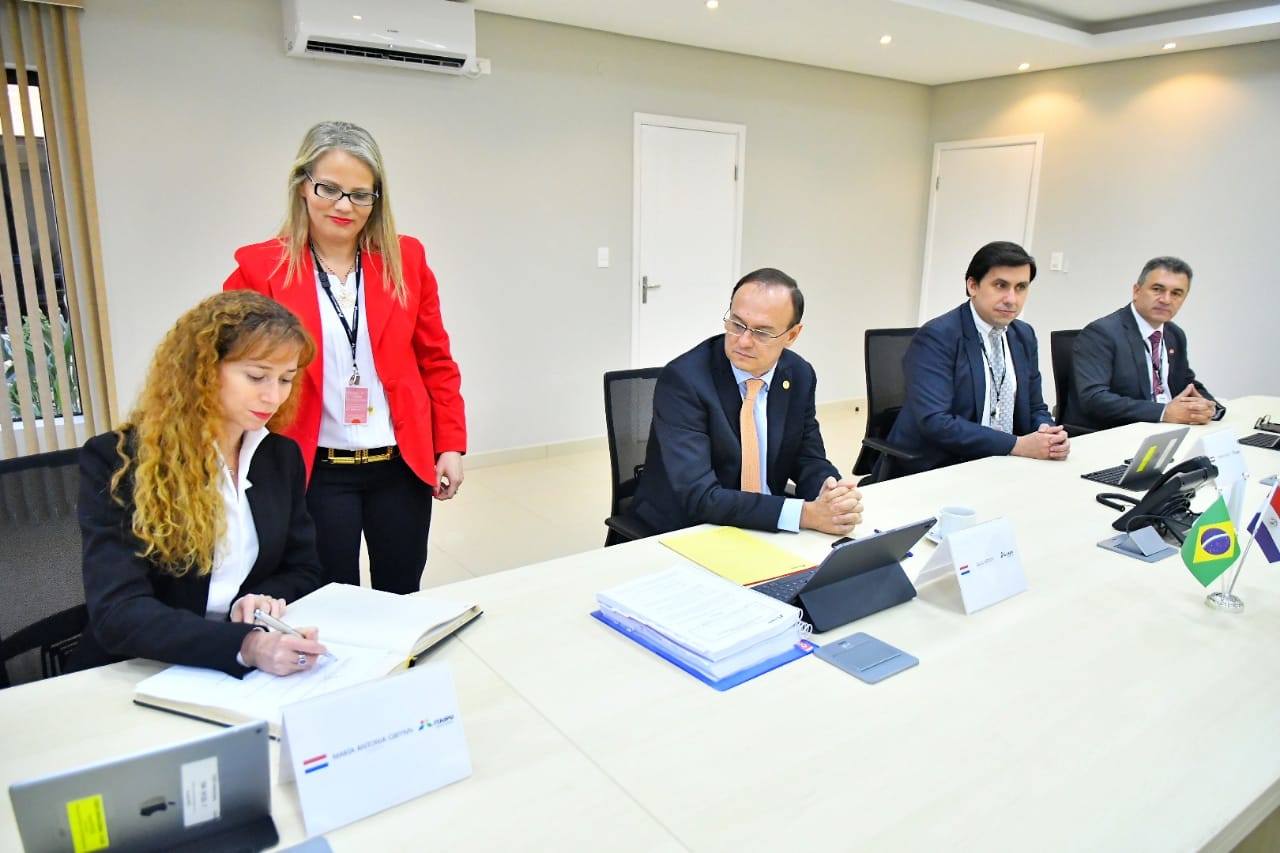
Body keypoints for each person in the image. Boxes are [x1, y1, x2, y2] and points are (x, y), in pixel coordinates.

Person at [224, 121, 466, 594]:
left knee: (401, 593)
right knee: (328, 600)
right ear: (303, 186)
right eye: (329, 189)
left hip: (400, 466)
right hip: (314, 469)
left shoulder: (406, 260)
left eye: (360, 195)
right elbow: (228, 372)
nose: (343, 206)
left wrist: (450, 444)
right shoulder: (261, 269)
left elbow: (436, 360)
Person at [74, 291, 327, 677]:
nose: (273, 396)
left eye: (286, 379)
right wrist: (244, 645)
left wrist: (263, 599)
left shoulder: (278, 456)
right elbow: (118, 612)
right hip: (139, 669)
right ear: (204, 371)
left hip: (238, 671)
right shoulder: (120, 460)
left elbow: (304, 569)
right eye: (256, 376)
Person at [627, 268, 863, 536]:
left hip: (767, 522)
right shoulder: (685, 380)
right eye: (737, 324)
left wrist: (831, 493)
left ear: (792, 335)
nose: (744, 341)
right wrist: (804, 515)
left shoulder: (799, 374)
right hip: (690, 528)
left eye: (762, 332)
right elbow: (699, 497)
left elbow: (808, 457)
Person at [877, 240, 1068, 479]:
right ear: (973, 286)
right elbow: (936, 422)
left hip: (1006, 464)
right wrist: (1016, 445)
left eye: (1021, 287)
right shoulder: (938, 336)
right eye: (1000, 285)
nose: (1012, 299)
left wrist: (1048, 433)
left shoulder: (1023, 335)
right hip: (942, 467)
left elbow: (1035, 406)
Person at [1067, 256, 1221, 431]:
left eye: (1176, 293)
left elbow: (1186, 382)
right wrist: (1163, 412)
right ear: (1137, 291)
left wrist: (1208, 407)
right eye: (1157, 289)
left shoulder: (1175, 334)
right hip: (1117, 431)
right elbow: (1094, 399)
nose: (1166, 300)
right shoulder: (1102, 333)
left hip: (1166, 428)